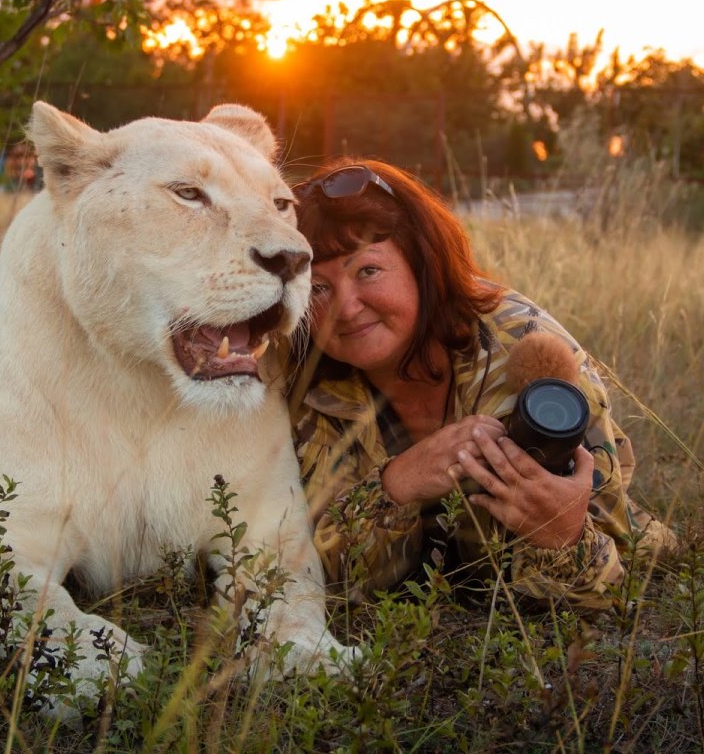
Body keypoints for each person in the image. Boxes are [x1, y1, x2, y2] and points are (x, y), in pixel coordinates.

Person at [287, 159, 676, 611]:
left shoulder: (527, 358)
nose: (346, 308)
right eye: (317, 288)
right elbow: (318, 574)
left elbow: (608, 583)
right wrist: (398, 482)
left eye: (368, 271)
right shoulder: (302, 377)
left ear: (423, 262)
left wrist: (561, 535)